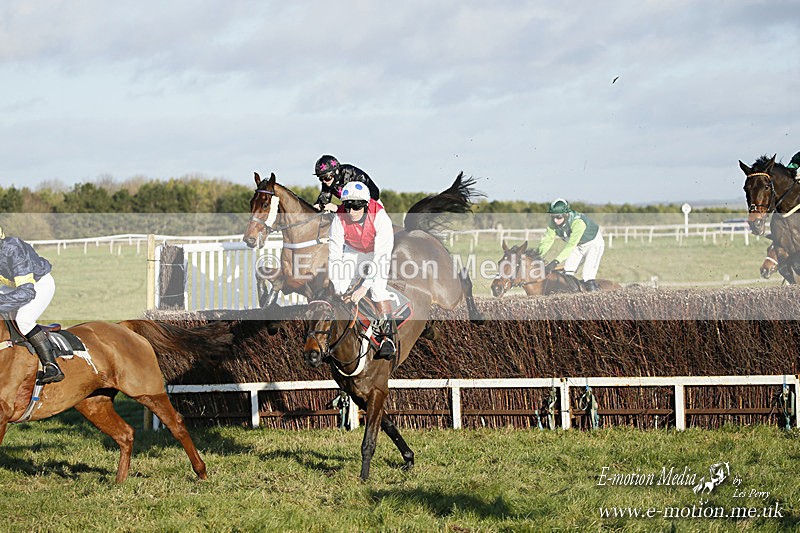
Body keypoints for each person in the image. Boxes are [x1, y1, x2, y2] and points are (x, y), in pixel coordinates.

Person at [327, 181, 396, 359]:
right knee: (339, 287)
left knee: (377, 289)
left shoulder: (380, 216)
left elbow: (380, 258)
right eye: (348, 206)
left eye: (357, 207)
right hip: (353, 250)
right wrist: (336, 285)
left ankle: (388, 338)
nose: (351, 211)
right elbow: (334, 255)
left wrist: (363, 287)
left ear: (366, 205)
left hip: (377, 252)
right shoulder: (339, 217)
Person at [0, 227, 63, 382]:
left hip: (37, 284)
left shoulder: (13, 249)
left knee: (24, 320)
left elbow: (26, 292)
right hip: (13, 284)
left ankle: (52, 366)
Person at [537, 198, 605, 292]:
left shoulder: (578, 222)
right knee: (567, 272)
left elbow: (571, 244)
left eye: (559, 217)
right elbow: (547, 241)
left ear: (566, 214)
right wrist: (537, 256)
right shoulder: (553, 224)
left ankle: (595, 296)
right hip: (578, 246)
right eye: (553, 217)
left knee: (588, 276)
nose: (556, 221)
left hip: (593, 244)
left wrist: (556, 262)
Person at [313, 155, 380, 212]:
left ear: (336, 171)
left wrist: (337, 208)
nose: (324, 181)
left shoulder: (353, 174)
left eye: (327, 177)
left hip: (372, 204)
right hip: (348, 209)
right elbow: (324, 200)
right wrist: (318, 207)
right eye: (321, 178)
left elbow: (360, 205)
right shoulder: (327, 182)